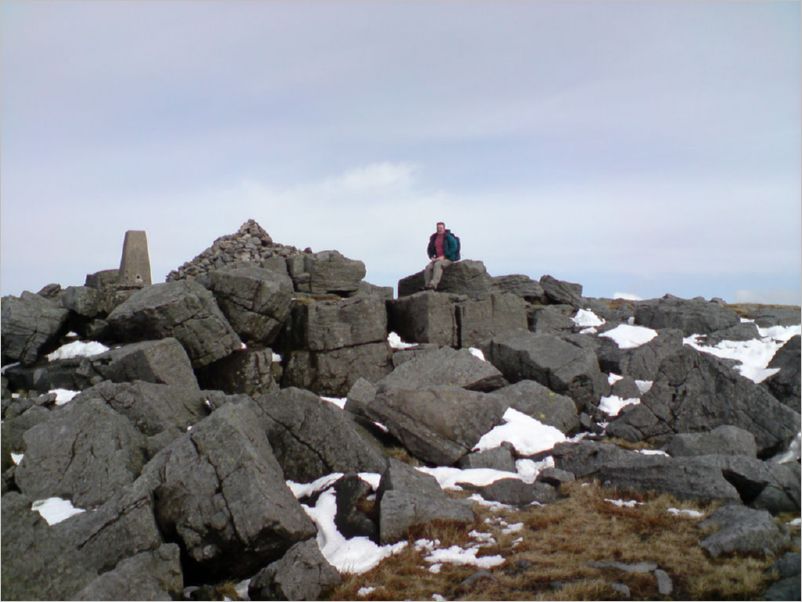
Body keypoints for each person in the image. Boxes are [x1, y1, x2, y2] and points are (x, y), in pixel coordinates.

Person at [424, 221, 459, 290]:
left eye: (441, 228)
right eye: (438, 228)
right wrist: (432, 257)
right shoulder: (434, 238)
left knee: (438, 264)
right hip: (437, 258)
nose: (439, 229)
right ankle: (427, 285)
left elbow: (454, 247)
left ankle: (433, 284)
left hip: (448, 259)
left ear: (444, 228)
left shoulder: (448, 237)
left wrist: (444, 256)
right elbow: (429, 249)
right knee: (428, 267)